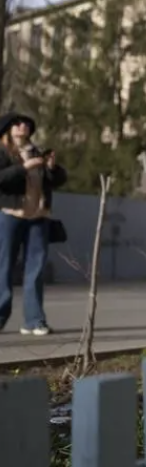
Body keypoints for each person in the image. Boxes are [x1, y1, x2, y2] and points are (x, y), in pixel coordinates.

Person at [0, 112, 65, 335]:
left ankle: (34, 320)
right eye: (17, 123)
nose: (23, 126)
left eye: (26, 124)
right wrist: (24, 167)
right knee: (4, 267)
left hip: (38, 217)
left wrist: (52, 168)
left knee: (35, 270)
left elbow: (58, 180)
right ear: (8, 129)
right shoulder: (3, 152)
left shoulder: (37, 152)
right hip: (10, 215)